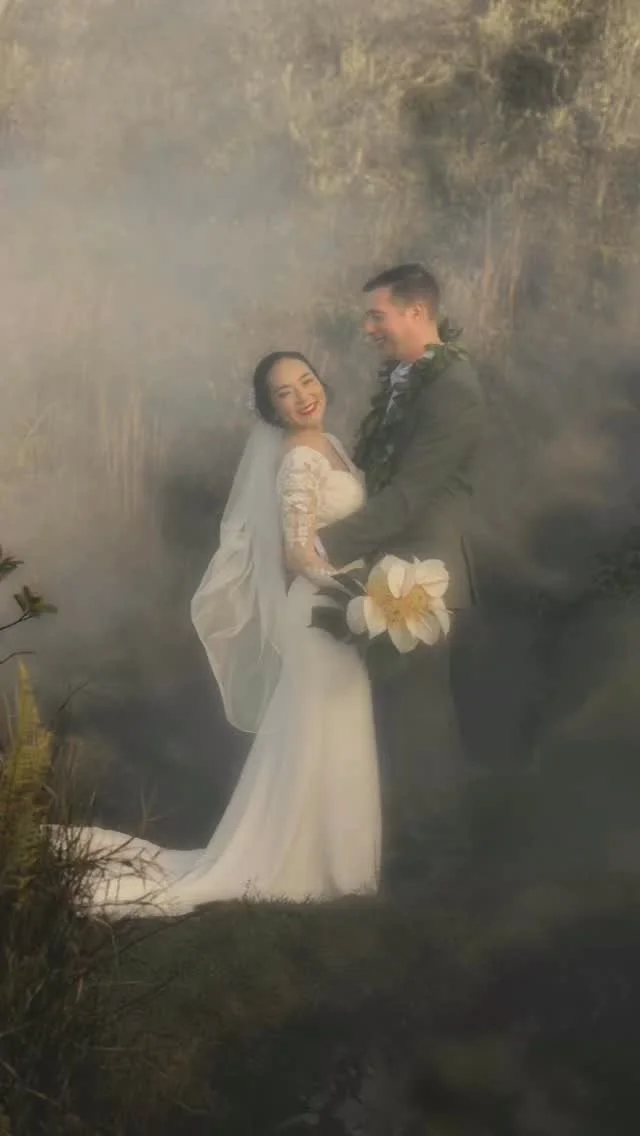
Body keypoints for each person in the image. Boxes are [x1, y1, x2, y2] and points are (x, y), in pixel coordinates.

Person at [60, 351, 381, 918]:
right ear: (272, 410)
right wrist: (357, 594)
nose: (303, 396)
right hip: (322, 612)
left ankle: (338, 865)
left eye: (306, 381)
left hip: (337, 609)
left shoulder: (329, 443)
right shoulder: (297, 458)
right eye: (285, 393)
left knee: (337, 726)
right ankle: (303, 865)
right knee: (318, 728)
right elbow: (297, 552)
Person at [319, 264, 485, 848]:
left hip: (422, 575)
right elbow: (377, 477)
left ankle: (440, 852)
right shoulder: (404, 377)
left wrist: (323, 545)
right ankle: (403, 845)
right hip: (385, 566)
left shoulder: (453, 387)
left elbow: (411, 494)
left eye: (377, 316)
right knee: (395, 714)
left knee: (420, 720)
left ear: (416, 312)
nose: (368, 328)